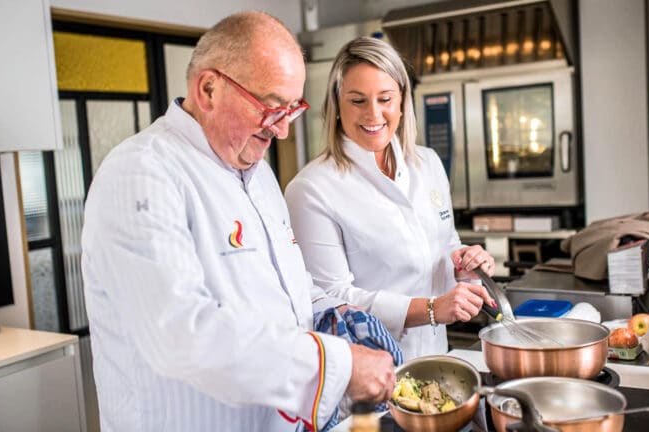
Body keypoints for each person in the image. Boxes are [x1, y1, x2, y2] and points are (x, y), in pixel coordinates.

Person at [81, 12, 395, 432]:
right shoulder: (141, 173)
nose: (283, 129)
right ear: (208, 88)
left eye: (292, 108)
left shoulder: (259, 174)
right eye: (271, 105)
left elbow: (285, 288)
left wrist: (336, 313)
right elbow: (180, 335)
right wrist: (336, 366)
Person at [284, 36, 496, 361]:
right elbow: (332, 298)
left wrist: (466, 263)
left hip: (437, 355)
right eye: (357, 101)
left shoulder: (427, 163)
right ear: (336, 105)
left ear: (402, 102)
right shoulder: (311, 188)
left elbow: (446, 244)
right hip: (367, 367)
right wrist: (432, 308)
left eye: (385, 98)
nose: (374, 114)